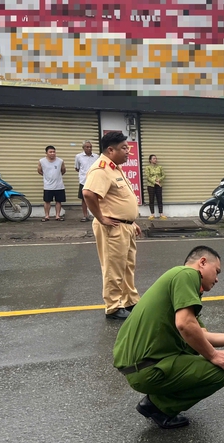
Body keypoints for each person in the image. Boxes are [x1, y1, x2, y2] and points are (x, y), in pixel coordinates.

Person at [113, 246, 224, 429]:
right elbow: (185, 325)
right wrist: (213, 355)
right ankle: (158, 407)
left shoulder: (181, 282)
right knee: (220, 370)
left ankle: (155, 402)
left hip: (138, 367)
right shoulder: (187, 274)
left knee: (200, 350)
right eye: (217, 271)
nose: (217, 278)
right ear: (202, 262)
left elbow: (201, 335)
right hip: (146, 369)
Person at [83, 132, 142, 320]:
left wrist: (131, 222)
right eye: (124, 148)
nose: (128, 152)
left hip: (125, 226)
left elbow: (118, 199)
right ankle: (114, 307)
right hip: (112, 227)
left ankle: (130, 300)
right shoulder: (101, 169)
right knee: (113, 267)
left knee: (127, 266)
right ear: (111, 150)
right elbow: (88, 194)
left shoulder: (114, 167)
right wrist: (101, 218)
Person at [38, 145, 67, 221]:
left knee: (58, 201)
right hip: (48, 185)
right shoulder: (42, 161)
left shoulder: (60, 161)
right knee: (47, 201)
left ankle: (57, 216)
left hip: (59, 185)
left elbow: (63, 170)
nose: (52, 153)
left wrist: (57, 176)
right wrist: (47, 176)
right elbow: (39, 171)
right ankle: (47, 216)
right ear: (46, 153)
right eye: (50, 152)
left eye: (54, 152)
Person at [74, 140, 99, 222]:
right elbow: (77, 168)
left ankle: (97, 215)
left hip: (94, 180)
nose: (89, 148)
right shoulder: (78, 156)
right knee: (84, 198)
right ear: (83, 148)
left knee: (96, 198)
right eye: (87, 147)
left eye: (90, 147)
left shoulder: (96, 156)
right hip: (84, 181)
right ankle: (85, 215)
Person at [144, 154, 167, 220]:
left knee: (159, 199)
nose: (155, 160)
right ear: (150, 160)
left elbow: (164, 175)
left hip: (159, 185)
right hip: (151, 185)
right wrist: (155, 182)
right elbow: (148, 177)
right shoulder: (147, 167)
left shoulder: (159, 167)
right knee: (151, 200)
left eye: (156, 158)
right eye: (154, 158)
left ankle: (161, 214)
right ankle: (152, 214)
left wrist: (159, 179)